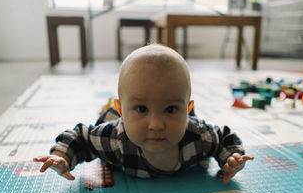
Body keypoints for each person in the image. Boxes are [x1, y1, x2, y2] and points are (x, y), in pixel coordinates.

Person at [33, 44, 254, 184]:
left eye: (170, 109)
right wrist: (62, 156)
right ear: (124, 110)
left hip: (170, 118)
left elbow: (225, 138)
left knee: (168, 108)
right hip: (117, 121)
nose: (156, 124)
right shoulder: (111, 139)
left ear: (186, 109)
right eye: (142, 109)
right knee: (106, 117)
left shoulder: (199, 136)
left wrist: (232, 159)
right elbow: (80, 136)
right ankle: (116, 108)